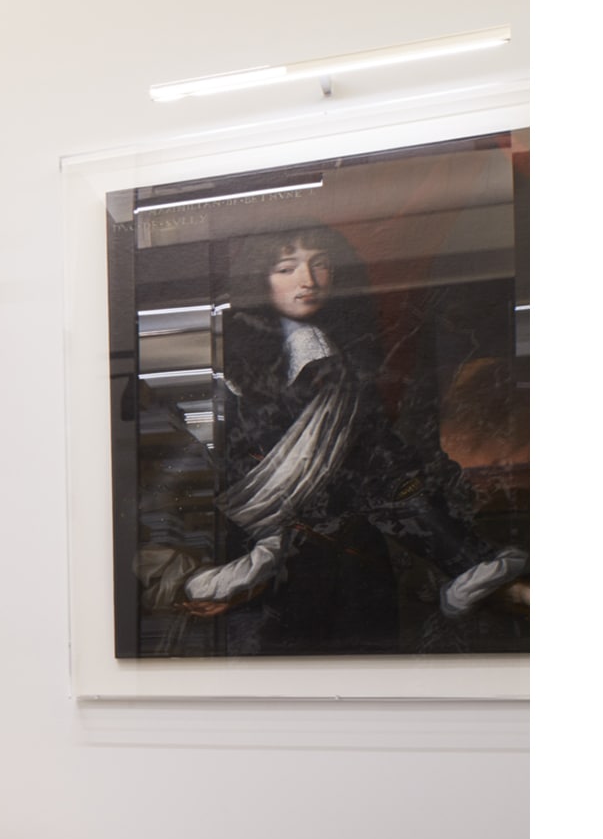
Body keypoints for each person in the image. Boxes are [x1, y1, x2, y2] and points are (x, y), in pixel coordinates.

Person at [158, 224, 525, 654]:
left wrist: (472, 564)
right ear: (260, 279)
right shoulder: (226, 371)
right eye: (286, 268)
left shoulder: (346, 369)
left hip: (350, 570)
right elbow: (198, 484)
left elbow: (388, 478)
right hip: (258, 585)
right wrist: (214, 578)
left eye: (321, 264)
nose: (308, 281)